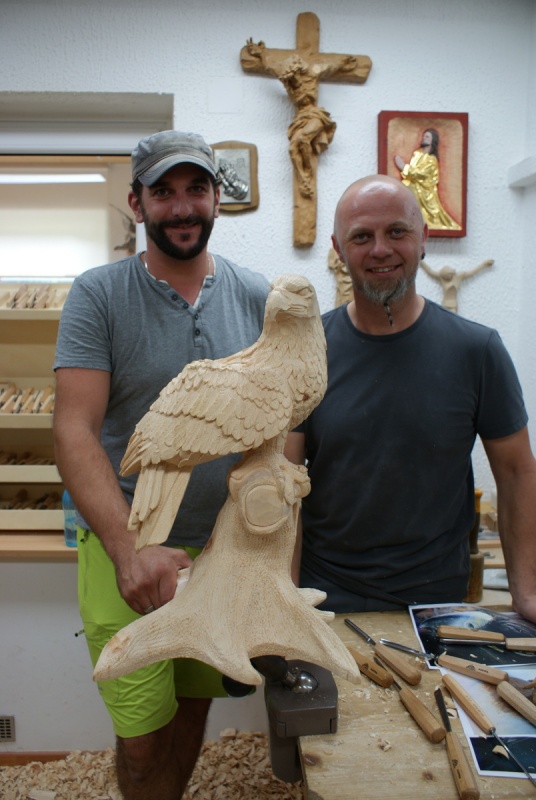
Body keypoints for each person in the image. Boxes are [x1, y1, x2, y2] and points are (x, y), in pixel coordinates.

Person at [53, 130, 270, 800]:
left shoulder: (255, 295)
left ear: (216, 199)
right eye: (164, 192)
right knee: (143, 739)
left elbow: (275, 432)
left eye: (195, 189)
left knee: (190, 709)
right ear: (136, 203)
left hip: (219, 554)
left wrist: (266, 554)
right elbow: (74, 429)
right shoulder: (99, 294)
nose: (182, 207)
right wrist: (129, 551)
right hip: (126, 549)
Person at [285, 174, 536, 624]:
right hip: (324, 600)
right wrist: (283, 602)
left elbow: (517, 473)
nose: (380, 249)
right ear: (338, 249)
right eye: (361, 236)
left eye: (397, 231)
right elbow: (281, 486)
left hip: (438, 602)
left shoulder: (477, 351)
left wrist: (528, 593)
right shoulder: (304, 353)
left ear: (423, 239)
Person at [394, 128, 461, 230]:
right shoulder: (417, 154)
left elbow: (421, 174)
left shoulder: (431, 160)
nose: (424, 138)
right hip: (414, 184)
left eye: (427, 137)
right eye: (424, 136)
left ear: (432, 141)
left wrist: (403, 167)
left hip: (424, 191)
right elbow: (413, 173)